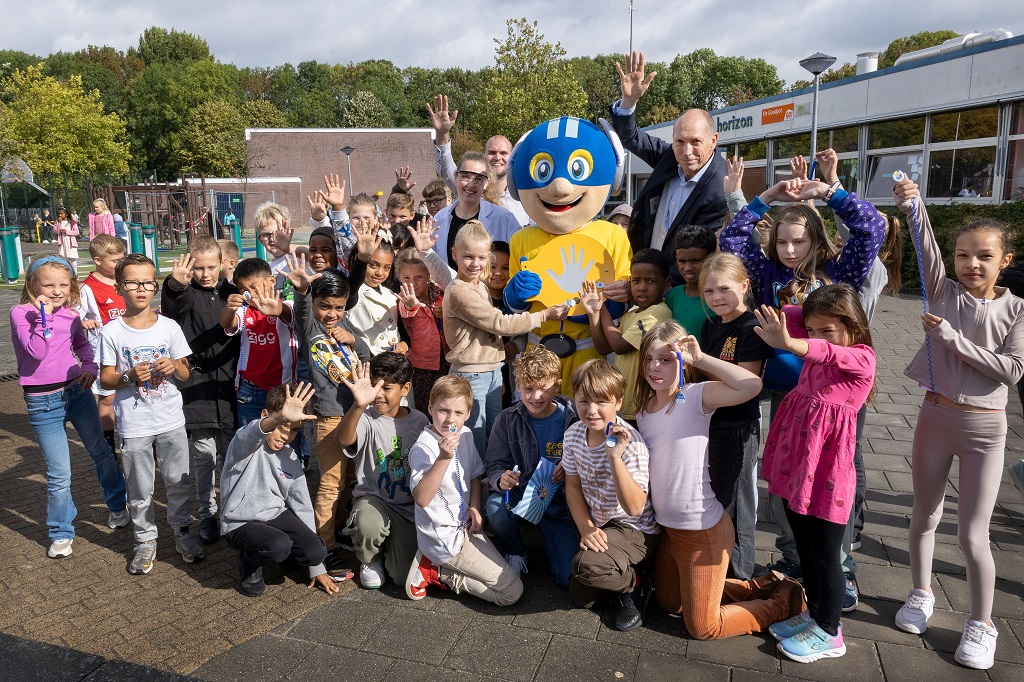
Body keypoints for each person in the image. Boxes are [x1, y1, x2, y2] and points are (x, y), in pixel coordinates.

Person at [893, 179, 1024, 670]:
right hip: (935, 416)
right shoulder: (942, 291)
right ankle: (921, 592)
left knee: (973, 535)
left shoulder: (1017, 310)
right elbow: (925, 246)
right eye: (963, 254)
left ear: (1003, 261)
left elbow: (1011, 371)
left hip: (985, 429)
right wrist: (913, 203)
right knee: (923, 515)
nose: (972, 264)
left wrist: (949, 338)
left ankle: (982, 623)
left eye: (984, 256)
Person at [634, 320, 805, 639]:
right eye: (649, 359)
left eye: (666, 359)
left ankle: (785, 602)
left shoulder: (696, 396)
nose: (654, 367)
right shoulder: (643, 410)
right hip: (670, 533)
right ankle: (761, 585)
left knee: (703, 628)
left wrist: (700, 359)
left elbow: (750, 385)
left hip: (703, 533)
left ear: (682, 362)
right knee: (669, 603)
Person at [752, 284, 876, 663]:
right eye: (813, 327)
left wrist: (795, 342)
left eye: (829, 329)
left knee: (825, 553)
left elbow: (824, 350)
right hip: (798, 460)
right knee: (804, 546)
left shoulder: (861, 357)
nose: (818, 335)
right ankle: (815, 612)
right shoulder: (813, 334)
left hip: (826, 472)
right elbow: (788, 315)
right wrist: (796, 303)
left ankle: (829, 630)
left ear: (853, 324)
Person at [11, 256, 128, 559]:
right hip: (41, 402)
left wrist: (88, 365)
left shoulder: (71, 316)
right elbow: (37, 351)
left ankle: (117, 505)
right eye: (48, 284)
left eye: (63, 284)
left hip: (76, 393)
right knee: (59, 473)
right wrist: (43, 316)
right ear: (32, 285)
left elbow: (83, 345)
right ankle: (61, 531)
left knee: (101, 452)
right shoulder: (21, 314)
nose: (56, 290)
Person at [98, 254, 202, 575]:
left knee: (178, 481)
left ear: (155, 287)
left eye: (147, 282)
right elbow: (105, 379)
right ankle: (145, 539)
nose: (140, 289)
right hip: (134, 425)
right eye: (132, 282)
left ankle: (182, 532)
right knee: (140, 488)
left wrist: (175, 366)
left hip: (171, 420)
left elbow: (186, 373)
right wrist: (129, 375)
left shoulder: (169, 327)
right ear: (119, 287)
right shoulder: (111, 332)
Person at [442, 220, 568, 454]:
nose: (475, 264)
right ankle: (476, 488)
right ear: (454, 254)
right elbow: (499, 323)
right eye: (468, 257)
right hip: (471, 373)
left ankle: (493, 483)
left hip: (489, 370)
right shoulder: (460, 290)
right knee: (475, 441)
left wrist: (494, 370)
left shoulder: (478, 285)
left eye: (481, 257)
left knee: (494, 437)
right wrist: (544, 315)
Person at [284, 256, 370, 575]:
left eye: (338, 307)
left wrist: (356, 341)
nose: (331, 314)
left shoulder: (345, 325)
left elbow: (364, 360)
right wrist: (302, 290)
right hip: (329, 415)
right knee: (330, 482)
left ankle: (340, 532)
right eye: (325, 306)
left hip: (356, 413)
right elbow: (304, 308)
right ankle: (324, 546)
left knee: (349, 478)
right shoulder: (310, 325)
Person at [405, 375, 524, 605]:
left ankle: (438, 567)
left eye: (458, 413)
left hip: (465, 527)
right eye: (443, 410)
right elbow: (421, 498)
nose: (450, 419)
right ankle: (439, 573)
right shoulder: (424, 447)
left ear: (468, 414)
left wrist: (475, 507)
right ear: (430, 407)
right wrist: (443, 458)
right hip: (444, 540)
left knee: (506, 577)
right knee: (511, 592)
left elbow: (475, 475)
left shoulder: (466, 434)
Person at [608, 52, 728, 278]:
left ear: (714, 141)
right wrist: (629, 102)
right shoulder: (670, 157)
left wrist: (655, 286)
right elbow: (630, 137)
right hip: (641, 272)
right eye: (679, 142)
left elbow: (698, 256)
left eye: (696, 142)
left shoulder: (719, 190)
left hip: (675, 288)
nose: (686, 152)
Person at [562, 359, 659, 631]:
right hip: (600, 523)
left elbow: (634, 508)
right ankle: (619, 574)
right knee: (581, 597)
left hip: (634, 529)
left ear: (618, 402)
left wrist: (614, 456)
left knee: (588, 566)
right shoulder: (573, 435)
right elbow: (573, 486)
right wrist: (586, 528)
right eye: (583, 402)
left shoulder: (632, 444)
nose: (591, 411)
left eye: (601, 402)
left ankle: (635, 585)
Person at [219, 382, 339, 597]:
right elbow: (253, 432)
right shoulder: (244, 444)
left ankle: (281, 555)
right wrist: (277, 419)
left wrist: (317, 567)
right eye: (283, 425)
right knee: (278, 546)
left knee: (316, 551)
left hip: (273, 514)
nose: (287, 435)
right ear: (267, 415)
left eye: (294, 430)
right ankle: (248, 562)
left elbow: (302, 506)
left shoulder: (290, 458)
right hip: (239, 521)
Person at [698, 254, 775, 580]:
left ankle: (740, 576)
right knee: (718, 495)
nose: (717, 298)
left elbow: (747, 383)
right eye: (709, 291)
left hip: (739, 425)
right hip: (710, 421)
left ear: (744, 286)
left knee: (738, 501)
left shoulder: (750, 327)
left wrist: (700, 360)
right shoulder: (710, 324)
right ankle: (718, 567)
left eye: (724, 289)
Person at [160, 238, 240, 545]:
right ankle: (208, 514)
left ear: (222, 263)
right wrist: (174, 285)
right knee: (204, 457)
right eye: (198, 267)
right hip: (196, 388)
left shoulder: (231, 292)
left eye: (211, 267)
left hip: (229, 388)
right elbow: (171, 307)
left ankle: (233, 511)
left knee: (231, 455)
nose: (205, 274)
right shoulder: (187, 294)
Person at [484, 346, 579, 586]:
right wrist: (500, 478)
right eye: (528, 388)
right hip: (521, 494)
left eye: (543, 389)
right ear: (517, 385)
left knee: (568, 579)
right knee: (495, 507)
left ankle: (550, 537)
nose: (535, 396)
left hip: (560, 503)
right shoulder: (507, 419)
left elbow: (586, 459)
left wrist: (568, 469)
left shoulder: (574, 418)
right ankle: (515, 551)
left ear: (557, 385)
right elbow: (495, 464)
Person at [336, 354, 428, 590]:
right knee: (368, 524)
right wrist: (358, 405)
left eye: (386, 388)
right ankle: (370, 557)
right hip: (374, 499)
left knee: (403, 577)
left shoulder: (419, 421)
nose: (378, 394)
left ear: (405, 388)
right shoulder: (366, 419)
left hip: (407, 507)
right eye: (374, 386)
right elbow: (345, 438)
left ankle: (386, 545)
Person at [582, 249, 673, 423]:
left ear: (666, 283)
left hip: (643, 408)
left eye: (651, 281)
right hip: (625, 406)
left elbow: (619, 346)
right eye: (636, 280)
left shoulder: (658, 313)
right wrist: (594, 313)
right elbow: (604, 348)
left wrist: (603, 309)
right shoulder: (631, 314)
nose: (642, 287)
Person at [428, 94, 530, 227]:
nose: (497, 158)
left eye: (503, 153)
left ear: (512, 157)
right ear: (484, 155)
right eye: (492, 153)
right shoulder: (472, 188)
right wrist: (442, 134)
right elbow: (447, 170)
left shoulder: (524, 193)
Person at [220, 258, 298, 428]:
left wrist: (277, 310)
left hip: (283, 390)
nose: (250, 294)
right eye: (243, 290)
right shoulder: (245, 310)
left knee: (287, 439)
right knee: (250, 440)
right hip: (250, 389)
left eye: (254, 287)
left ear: (271, 281)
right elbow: (227, 323)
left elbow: (288, 314)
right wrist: (229, 308)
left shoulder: (287, 306)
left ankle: (301, 455)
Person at [430, 152, 521, 269]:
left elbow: (519, 258)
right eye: (465, 177)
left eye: (478, 179)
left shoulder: (504, 219)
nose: (471, 184)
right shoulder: (439, 219)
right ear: (455, 177)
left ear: (486, 183)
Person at [80, 234, 128, 457]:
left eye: (122, 258)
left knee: (130, 393)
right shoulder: (88, 288)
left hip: (128, 348)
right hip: (103, 351)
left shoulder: (126, 281)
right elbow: (72, 318)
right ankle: (109, 448)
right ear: (98, 260)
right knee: (107, 398)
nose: (120, 264)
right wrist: (83, 321)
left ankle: (133, 438)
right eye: (115, 260)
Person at [395, 248, 448, 415]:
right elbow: (406, 310)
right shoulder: (403, 299)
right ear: (399, 279)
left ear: (428, 276)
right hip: (421, 366)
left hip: (446, 359)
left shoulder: (440, 293)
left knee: (444, 405)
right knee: (424, 408)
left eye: (419, 277)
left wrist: (445, 313)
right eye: (407, 278)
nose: (413, 283)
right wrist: (411, 304)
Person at [666, 226, 717, 336]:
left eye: (695, 261)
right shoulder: (673, 296)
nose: (688, 267)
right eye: (682, 261)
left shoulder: (719, 298)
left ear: (711, 258)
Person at [53, 207, 80, 273]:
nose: (60, 215)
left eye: (61, 213)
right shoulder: (57, 222)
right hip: (63, 243)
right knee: (64, 259)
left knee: (73, 259)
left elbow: (76, 232)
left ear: (66, 214)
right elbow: (56, 231)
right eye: (59, 213)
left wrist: (67, 231)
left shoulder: (72, 222)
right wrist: (59, 223)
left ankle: (75, 274)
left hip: (71, 243)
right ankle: (67, 274)